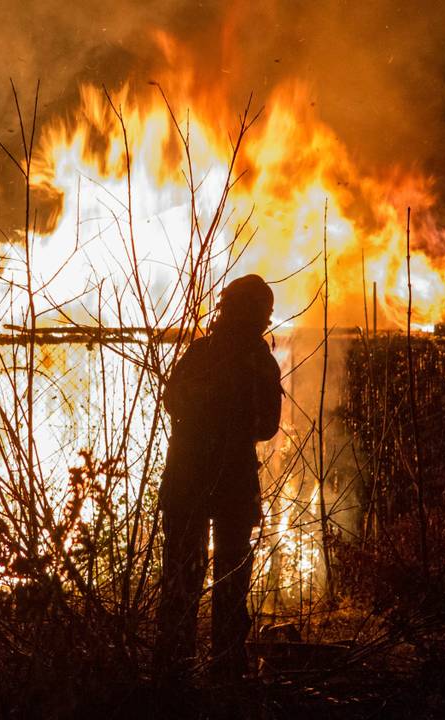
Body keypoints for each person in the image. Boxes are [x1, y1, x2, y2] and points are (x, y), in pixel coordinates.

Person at [155, 274, 283, 680]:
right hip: (219, 481)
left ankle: (182, 663)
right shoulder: (249, 359)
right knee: (220, 575)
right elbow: (264, 426)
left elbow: (174, 400)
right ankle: (211, 663)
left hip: (196, 479)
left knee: (189, 574)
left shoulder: (207, 353)